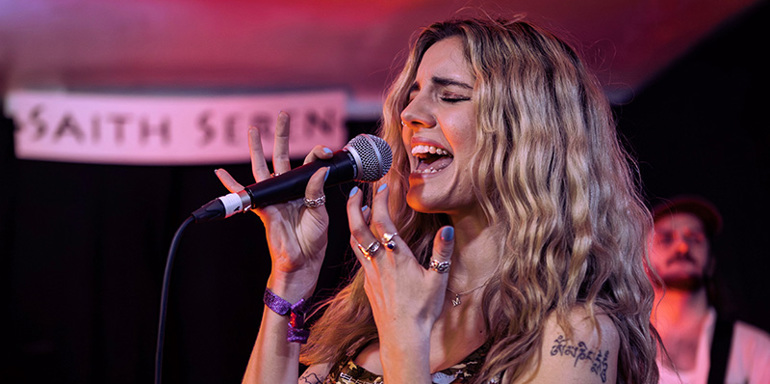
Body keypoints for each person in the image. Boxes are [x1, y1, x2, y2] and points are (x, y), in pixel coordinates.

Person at [216, 16, 659, 383]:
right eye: (413, 95)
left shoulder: (576, 333)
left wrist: (407, 343)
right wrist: (289, 281)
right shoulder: (375, 312)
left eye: (450, 96)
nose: (409, 115)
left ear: (530, 135)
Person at [648, 196, 770, 383]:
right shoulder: (623, 342)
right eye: (666, 239)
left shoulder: (756, 349)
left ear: (712, 262)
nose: (682, 247)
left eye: (695, 238)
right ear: (643, 261)